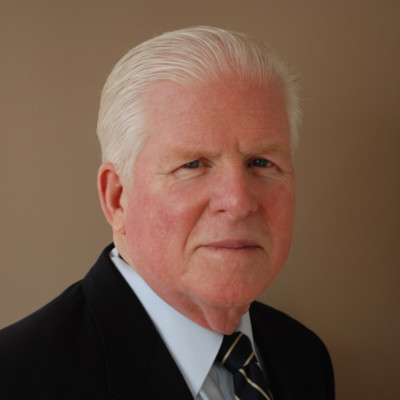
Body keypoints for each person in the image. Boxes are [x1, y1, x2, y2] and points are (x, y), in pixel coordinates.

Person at [0, 26, 334, 399]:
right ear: (117, 198)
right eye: (193, 164)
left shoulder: (303, 356)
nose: (239, 202)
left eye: (261, 162)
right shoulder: (16, 379)